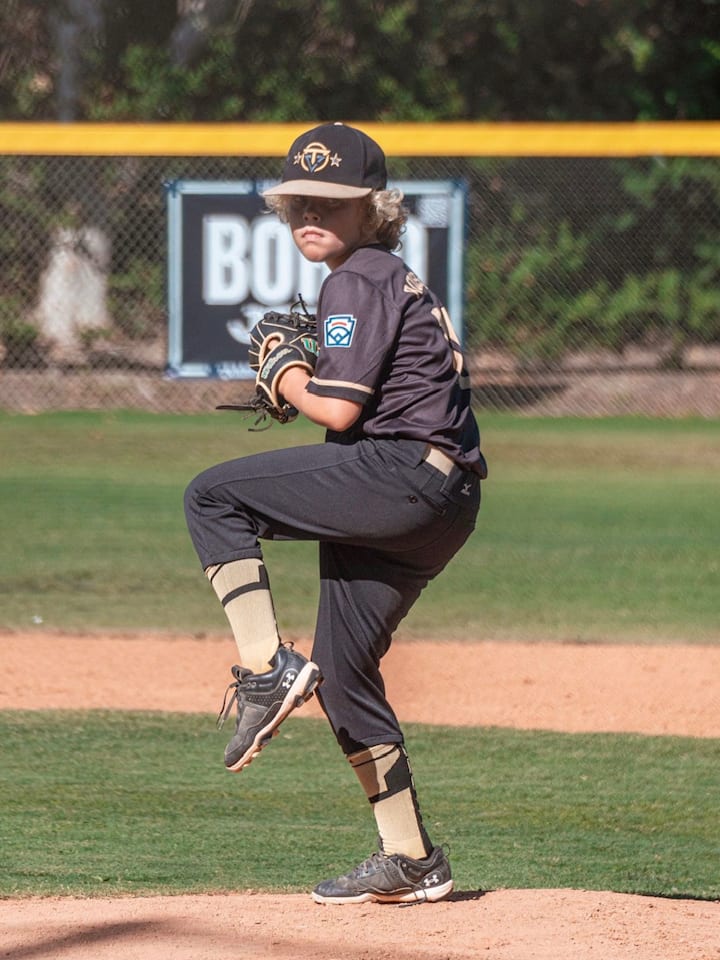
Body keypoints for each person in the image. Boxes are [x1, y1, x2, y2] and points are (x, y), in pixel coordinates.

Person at [184, 122, 488, 905]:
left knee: (212, 496)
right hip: (440, 496)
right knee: (346, 675)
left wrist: (286, 370)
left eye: (332, 200)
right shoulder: (384, 274)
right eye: (297, 203)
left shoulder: (358, 277)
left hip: (400, 475)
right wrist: (305, 376)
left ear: (373, 209)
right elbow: (355, 399)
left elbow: (340, 413)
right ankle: (413, 859)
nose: (309, 213)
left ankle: (265, 670)